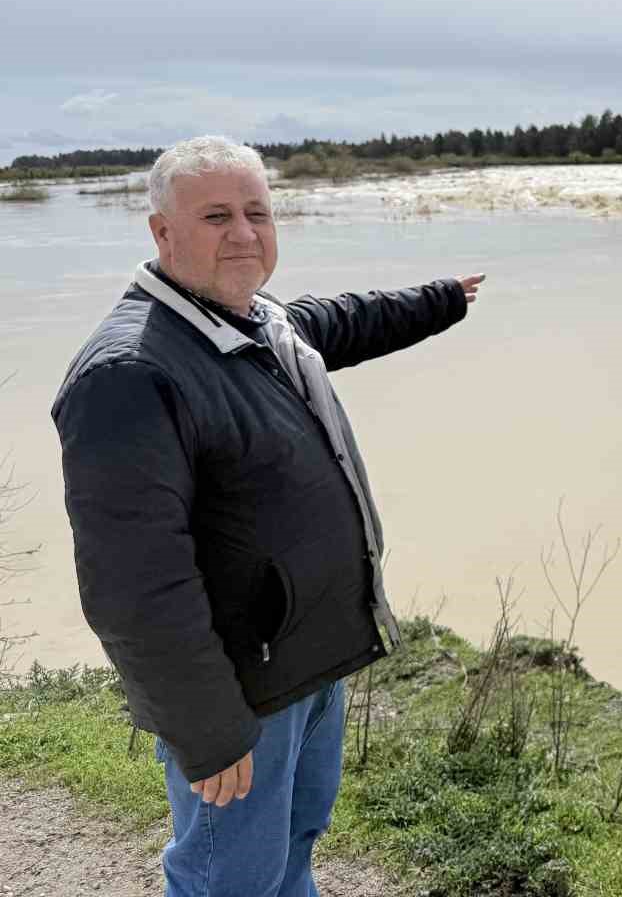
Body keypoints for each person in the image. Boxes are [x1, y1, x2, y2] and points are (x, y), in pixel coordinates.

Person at [52, 136, 486, 897]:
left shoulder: (258, 325)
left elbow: (347, 320)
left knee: (291, 849)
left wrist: (443, 299)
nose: (245, 233)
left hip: (307, 662)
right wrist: (209, 732)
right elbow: (132, 588)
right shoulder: (130, 374)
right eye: (216, 215)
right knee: (231, 879)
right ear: (162, 233)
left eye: (258, 212)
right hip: (239, 695)